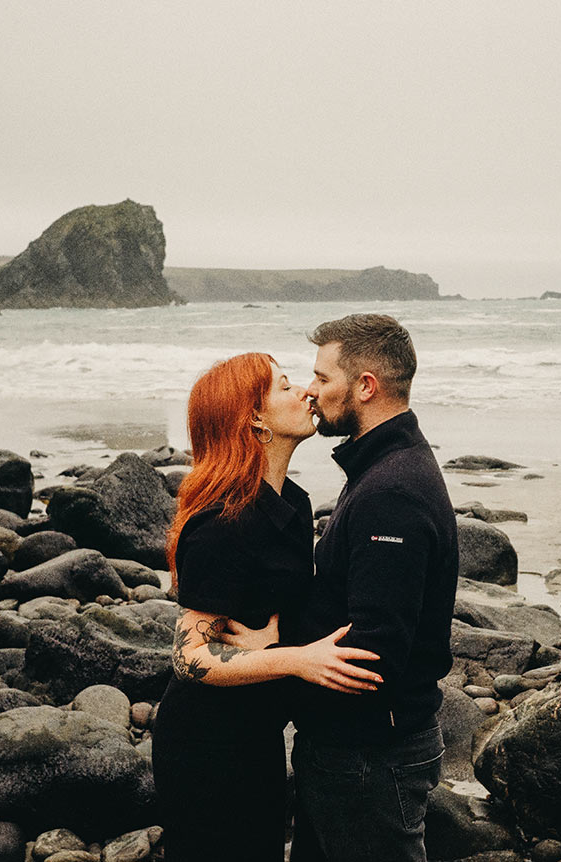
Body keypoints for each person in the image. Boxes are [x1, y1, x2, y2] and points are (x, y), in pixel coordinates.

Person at [151, 352, 385, 862]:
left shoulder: (292, 504)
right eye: (285, 387)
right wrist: (296, 659)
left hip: (256, 733)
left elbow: (283, 608)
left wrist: (280, 643)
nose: (306, 391)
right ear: (254, 417)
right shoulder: (222, 523)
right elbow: (190, 656)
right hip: (205, 746)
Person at [281, 314, 459, 861]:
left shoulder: (392, 490)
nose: (310, 390)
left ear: (365, 386)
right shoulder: (384, 467)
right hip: (357, 749)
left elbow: (373, 652)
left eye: (322, 377)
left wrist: (269, 665)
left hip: (369, 756)